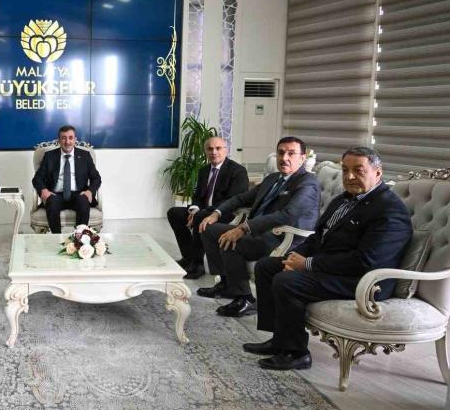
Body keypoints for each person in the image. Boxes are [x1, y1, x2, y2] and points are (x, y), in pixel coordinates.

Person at [244, 147, 412, 370]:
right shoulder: (343, 199)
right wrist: (296, 256)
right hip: (332, 267)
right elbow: (318, 237)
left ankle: (296, 353)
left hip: (364, 281)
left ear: (378, 173)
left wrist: (307, 264)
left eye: (358, 170)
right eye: (345, 170)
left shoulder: (389, 210)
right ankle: (279, 340)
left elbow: (366, 261)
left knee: (287, 281)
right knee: (267, 266)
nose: (349, 176)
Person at [197, 136, 320, 318]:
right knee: (208, 228)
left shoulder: (307, 183)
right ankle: (226, 284)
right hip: (259, 231)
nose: (284, 158)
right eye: (281, 153)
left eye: (291, 153)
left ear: (302, 158)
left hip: (282, 237)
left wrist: (243, 228)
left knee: (232, 243)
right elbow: (241, 198)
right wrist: (216, 213)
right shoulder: (273, 178)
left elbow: (286, 215)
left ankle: (244, 298)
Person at [167, 136, 249, 279]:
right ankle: (188, 257)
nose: (214, 152)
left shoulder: (238, 171)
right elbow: (197, 195)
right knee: (174, 213)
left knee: (200, 216)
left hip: (226, 213)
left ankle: (197, 264)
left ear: (226, 150)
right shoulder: (204, 170)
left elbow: (233, 200)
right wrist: (194, 209)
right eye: (210, 149)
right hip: (203, 211)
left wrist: (204, 212)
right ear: (205, 151)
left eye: (218, 148)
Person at [32, 124, 102, 234]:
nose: (67, 142)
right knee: (51, 202)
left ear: (75, 139)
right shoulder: (49, 156)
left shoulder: (85, 155)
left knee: (83, 201)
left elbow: (96, 178)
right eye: (63, 138)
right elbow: (37, 179)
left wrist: (90, 191)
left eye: (70, 138)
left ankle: (80, 238)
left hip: (79, 194)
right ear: (59, 140)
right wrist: (44, 191)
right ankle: (56, 238)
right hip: (56, 195)